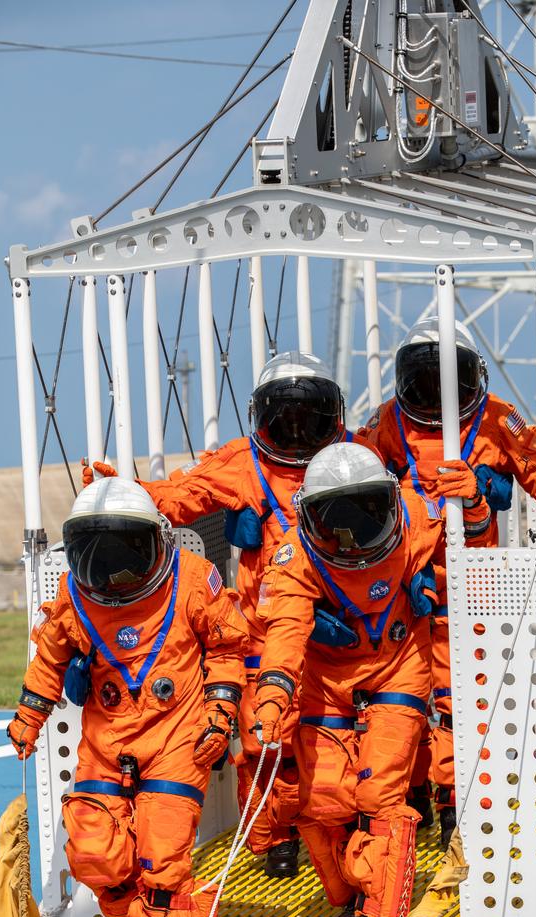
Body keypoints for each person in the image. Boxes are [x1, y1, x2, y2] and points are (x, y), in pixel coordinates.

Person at [87, 351, 346, 881]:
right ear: (261, 417)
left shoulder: (351, 459)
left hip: (339, 632)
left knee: (332, 743)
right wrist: (123, 495)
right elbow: (183, 495)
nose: (296, 430)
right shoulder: (242, 463)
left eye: (308, 417)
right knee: (259, 743)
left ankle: (337, 842)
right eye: (284, 417)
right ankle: (276, 836)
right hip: (262, 629)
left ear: (332, 417)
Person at [6, 478, 248, 917]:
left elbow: (229, 648)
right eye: (99, 555)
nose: (112, 570)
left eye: (124, 552)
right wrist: (28, 717)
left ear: (155, 541)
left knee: (162, 864)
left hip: (175, 737)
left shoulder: (190, 581)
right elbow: (49, 659)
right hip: (107, 739)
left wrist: (219, 713)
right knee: (92, 853)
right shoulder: (74, 593)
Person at [358, 318, 536, 847]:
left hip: (478, 580)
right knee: (404, 703)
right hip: (407, 582)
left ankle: (460, 809)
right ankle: (424, 803)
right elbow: (352, 474)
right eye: (423, 384)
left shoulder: (495, 421)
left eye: (447, 381)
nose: (436, 397)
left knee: (471, 702)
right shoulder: (389, 424)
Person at [250, 442, 455, 917]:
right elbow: (286, 632)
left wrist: (472, 505)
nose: (353, 535)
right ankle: (346, 895)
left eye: (364, 514)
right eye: (335, 519)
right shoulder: (295, 559)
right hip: (324, 677)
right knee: (321, 801)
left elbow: (465, 544)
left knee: (380, 790)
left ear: (386, 501)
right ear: (310, 517)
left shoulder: (414, 515)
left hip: (398, 662)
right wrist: (272, 694)